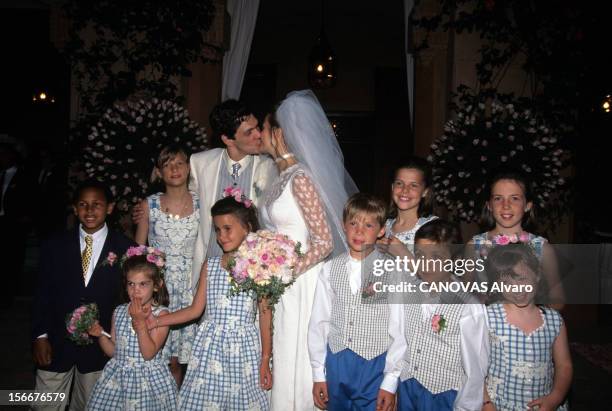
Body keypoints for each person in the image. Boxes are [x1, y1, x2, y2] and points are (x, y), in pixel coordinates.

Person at [259, 89, 358, 410]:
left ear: (278, 133)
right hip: (284, 282)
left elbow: (324, 240)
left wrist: (286, 272)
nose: (260, 134)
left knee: (298, 354)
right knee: (284, 351)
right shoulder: (281, 175)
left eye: (263, 128)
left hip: (301, 283)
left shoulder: (301, 178)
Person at [132, 99, 277, 294]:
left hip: (251, 273)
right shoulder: (201, 163)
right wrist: (148, 208)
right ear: (228, 139)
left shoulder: (269, 167)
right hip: (207, 272)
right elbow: (183, 198)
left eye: (257, 127)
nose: (259, 135)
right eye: (249, 132)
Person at [150, 194, 272, 410]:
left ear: (247, 228)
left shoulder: (258, 267)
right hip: (210, 347)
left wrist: (265, 359)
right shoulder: (211, 265)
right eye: (217, 230)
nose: (221, 236)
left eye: (227, 228)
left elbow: (265, 314)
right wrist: (157, 321)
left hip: (243, 350)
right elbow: (195, 310)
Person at [31, 179, 135, 410]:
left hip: (101, 347)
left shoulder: (125, 248)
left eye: (96, 204)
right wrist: (40, 336)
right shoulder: (54, 245)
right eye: (82, 204)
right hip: (56, 343)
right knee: (45, 403)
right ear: (74, 208)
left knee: (91, 404)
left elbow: (128, 301)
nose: (89, 211)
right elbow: (42, 293)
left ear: (109, 207)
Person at [382, 219, 489, 411]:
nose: (426, 265)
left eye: (436, 258)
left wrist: (466, 407)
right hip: (407, 387)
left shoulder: (467, 307)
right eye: (420, 256)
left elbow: (475, 369)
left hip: (442, 396)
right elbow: (401, 339)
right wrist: (390, 382)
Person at [308, 193, 397, 411]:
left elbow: (400, 330)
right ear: (343, 225)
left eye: (368, 225)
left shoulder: (393, 271)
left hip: (373, 364)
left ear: (381, 230)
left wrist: (390, 381)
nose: (359, 231)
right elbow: (319, 323)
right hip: (337, 361)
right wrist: (319, 373)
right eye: (354, 223)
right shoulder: (329, 269)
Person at [134, 144, 199, 386]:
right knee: (162, 359)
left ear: (189, 168)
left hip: (191, 287)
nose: (174, 169)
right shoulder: (148, 205)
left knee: (188, 361)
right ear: (159, 172)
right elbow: (138, 251)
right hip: (161, 288)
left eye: (179, 163)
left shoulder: (203, 203)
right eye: (167, 165)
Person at [86, 247, 178, 410]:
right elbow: (115, 351)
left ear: (156, 285)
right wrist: (100, 335)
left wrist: (140, 323)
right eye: (131, 284)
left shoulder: (161, 315)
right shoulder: (119, 311)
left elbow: (148, 354)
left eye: (143, 284)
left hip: (148, 383)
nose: (136, 290)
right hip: (118, 381)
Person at [483, 244, 572, 411]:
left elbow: (564, 366)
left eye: (522, 279)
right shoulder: (488, 317)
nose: (516, 289)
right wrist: (486, 403)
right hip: (498, 405)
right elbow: (474, 366)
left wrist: (555, 398)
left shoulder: (553, 320)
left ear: (537, 275)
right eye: (506, 283)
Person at [466, 170, 564, 307]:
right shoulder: (474, 246)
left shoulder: (542, 248)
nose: (506, 205)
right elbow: (463, 294)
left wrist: (538, 317)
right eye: (498, 198)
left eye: (515, 198)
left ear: (527, 206)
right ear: (489, 205)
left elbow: (557, 297)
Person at [377, 158, 437, 257]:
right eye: (399, 183)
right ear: (392, 187)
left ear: (425, 191)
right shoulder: (383, 226)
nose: (405, 190)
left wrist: (403, 254)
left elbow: (439, 271)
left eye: (413, 185)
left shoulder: (434, 227)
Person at [0, 142, 36, 307]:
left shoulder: (23, 176)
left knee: (12, 258)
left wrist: (25, 217)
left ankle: (10, 293)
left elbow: (29, 198)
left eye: (5, 154)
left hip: (13, 224)